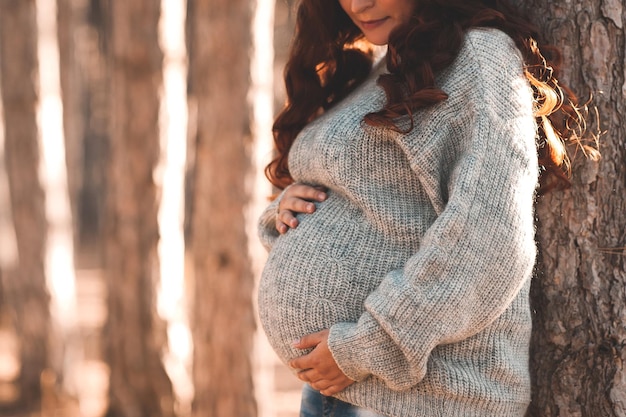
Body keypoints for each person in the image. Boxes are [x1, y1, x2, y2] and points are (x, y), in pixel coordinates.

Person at [257, 0, 597, 416]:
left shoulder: (478, 55)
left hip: (424, 398)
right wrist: (284, 210)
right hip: (345, 388)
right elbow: (369, 197)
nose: (357, 4)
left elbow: (490, 235)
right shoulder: (381, 65)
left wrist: (368, 346)